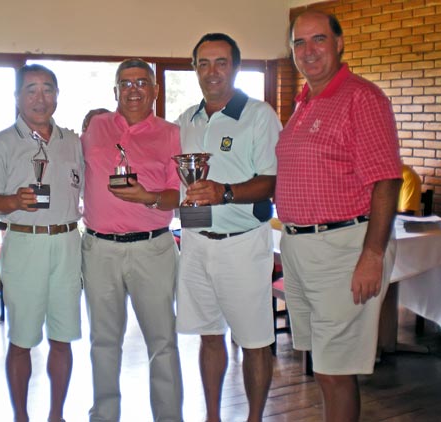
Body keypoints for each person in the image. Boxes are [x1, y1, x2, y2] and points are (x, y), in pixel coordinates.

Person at [275, 11, 402, 421]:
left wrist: (372, 255)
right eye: (299, 42)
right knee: (323, 367)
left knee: (336, 371)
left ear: (339, 43)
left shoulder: (361, 98)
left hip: (343, 249)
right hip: (300, 246)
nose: (308, 51)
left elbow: (386, 181)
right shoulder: (304, 101)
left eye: (318, 40)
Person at [174, 33, 281, 422]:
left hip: (242, 243)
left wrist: (225, 191)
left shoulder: (259, 115)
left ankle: (254, 418)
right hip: (196, 239)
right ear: (194, 69)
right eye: (203, 63)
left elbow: (272, 180)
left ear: (235, 67)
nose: (212, 71)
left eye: (221, 63)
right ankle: (213, 416)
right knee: (208, 334)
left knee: (254, 341)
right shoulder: (186, 119)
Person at [82, 58, 183, 422]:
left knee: (163, 343)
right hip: (99, 250)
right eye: (126, 83)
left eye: (142, 82)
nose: (134, 89)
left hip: (152, 249)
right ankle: (104, 416)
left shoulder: (172, 133)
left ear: (155, 91)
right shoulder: (94, 126)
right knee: (104, 342)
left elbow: (178, 195)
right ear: (115, 91)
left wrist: (148, 196)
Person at [0, 64, 84, 422]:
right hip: (25, 245)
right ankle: (21, 416)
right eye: (31, 90)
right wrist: (12, 201)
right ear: (17, 98)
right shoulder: (0, 144)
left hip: (68, 243)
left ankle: (57, 414)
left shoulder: (72, 142)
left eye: (47, 89)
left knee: (64, 336)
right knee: (22, 339)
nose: (40, 98)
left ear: (56, 95)